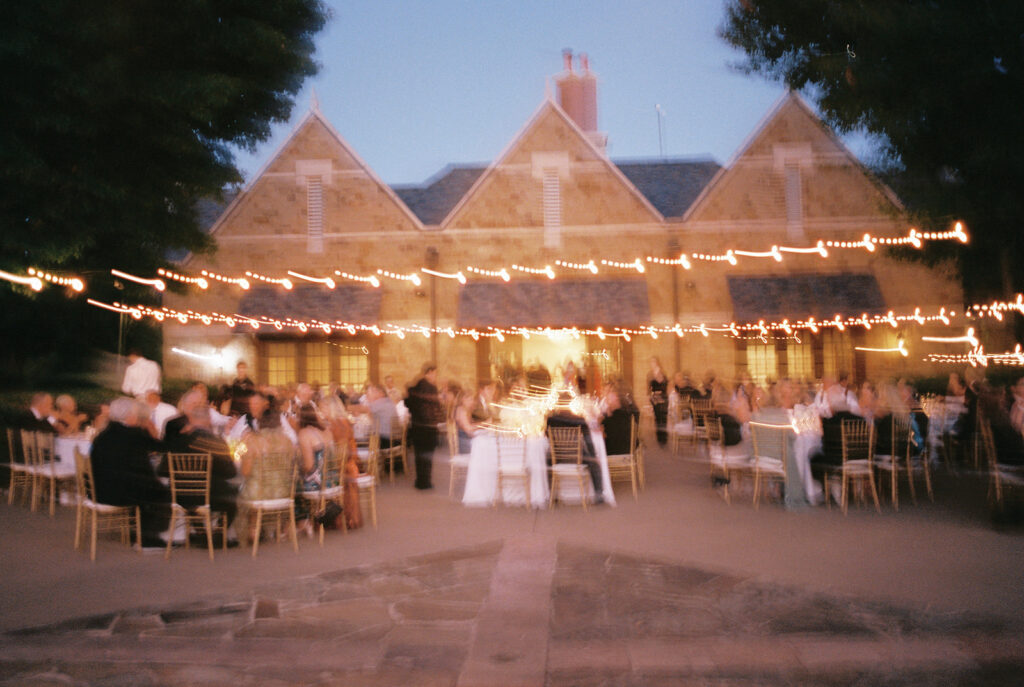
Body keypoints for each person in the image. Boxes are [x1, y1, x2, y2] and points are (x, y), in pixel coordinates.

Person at [89, 397, 170, 547]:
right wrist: (151, 430)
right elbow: (161, 448)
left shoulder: (103, 435)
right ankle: (147, 538)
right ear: (129, 415)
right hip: (118, 494)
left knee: (145, 486)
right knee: (160, 491)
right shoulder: (134, 434)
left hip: (99, 490)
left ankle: (136, 531)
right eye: (136, 414)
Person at [164, 403, 239, 536]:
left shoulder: (177, 441)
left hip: (180, 496)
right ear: (208, 420)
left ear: (191, 420)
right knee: (233, 497)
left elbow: (162, 470)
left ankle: (201, 532)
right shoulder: (216, 441)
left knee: (193, 495)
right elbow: (230, 473)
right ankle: (218, 534)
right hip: (210, 496)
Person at [236, 408, 295, 544]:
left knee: (247, 491)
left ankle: (253, 531)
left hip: (259, 494)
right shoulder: (287, 442)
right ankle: (273, 529)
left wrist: (241, 446)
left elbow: (245, 472)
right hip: (283, 492)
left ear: (260, 422)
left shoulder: (253, 441)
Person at [320, 395, 362, 529]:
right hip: (350, 465)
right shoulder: (345, 422)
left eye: (322, 408)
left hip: (339, 468)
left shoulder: (332, 426)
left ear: (329, 408)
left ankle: (322, 518)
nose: (320, 411)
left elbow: (331, 451)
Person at [295, 403, 335, 534]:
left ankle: (303, 522)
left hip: (320, 483)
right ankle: (313, 519)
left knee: (294, 485)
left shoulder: (304, 434)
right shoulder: (326, 430)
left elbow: (309, 465)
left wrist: (298, 470)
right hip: (333, 478)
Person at [406, 363, 443, 490]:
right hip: (428, 427)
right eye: (435, 373)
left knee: (419, 455)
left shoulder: (416, 388)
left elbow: (409, 404)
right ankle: (425, 482)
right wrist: (438, 418)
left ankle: (420, 481)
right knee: (427, 456)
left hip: (417, 426)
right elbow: (434, 408)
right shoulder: (430, 388)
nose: (435, 376)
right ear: (429, 373)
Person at [602, 388, 639, 456]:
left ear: (617, 398)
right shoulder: (626, 412)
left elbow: (610, 436)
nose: (607, 401)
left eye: (608, 399)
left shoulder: (617, 417)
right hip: (626, 450)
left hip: (620, 452)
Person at [647, 357, 669, 447]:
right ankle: (659, 438)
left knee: (663, 418)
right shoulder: (650, 374)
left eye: (653, 362)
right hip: (655, 398)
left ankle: (664, 438)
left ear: (657, 363)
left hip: (663, 398)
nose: (652, 364)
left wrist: (661, 390)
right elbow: (648, 387)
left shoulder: (662, 373)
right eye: (651, 362)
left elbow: (665, 385)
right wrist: (649, 396)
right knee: (657, 417)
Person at [454, 390, 482, 454]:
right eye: (470, 399)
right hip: (465, 445)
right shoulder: (462, 410)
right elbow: (468, 428)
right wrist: (484, 424)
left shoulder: (464, 409)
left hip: (465, 441)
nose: (472, 402)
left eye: (473, 399)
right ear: (463, 399)